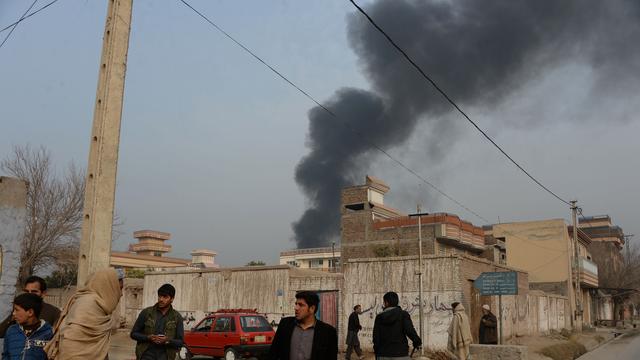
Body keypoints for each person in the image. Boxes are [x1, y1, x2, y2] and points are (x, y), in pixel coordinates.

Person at [45, 268, 123, 359]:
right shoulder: (87, 305)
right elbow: (72, 342)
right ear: (108, 286)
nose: (121, 294)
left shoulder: (101, 306)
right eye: (119, 288)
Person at [267, 291, 338, 360]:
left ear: (312, 309)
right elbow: (273, 353)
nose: (296, 308)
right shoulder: (285, 324)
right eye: (296, 304)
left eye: (301, 305)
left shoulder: (328, 332)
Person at [130, 283, 184, 360]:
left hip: (166, 356)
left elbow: (180, 342)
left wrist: (167, 340)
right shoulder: (146, 313)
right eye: (160, 296)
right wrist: (148, 337)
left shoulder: (177, 317)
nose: (161, 299)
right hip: (146, 354)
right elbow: (133, 334)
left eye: (165, 297)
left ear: (172, 299)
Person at [2, 293, 53, 360]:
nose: (14, 313)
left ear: (30, 312)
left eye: (17, 310)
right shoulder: (11, 331)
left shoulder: (49, 333)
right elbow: (6, 356)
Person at [372, 291, 422, 360]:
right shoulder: (403, 314)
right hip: (401, 354)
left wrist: (377, 352)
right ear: (397, 302)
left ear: (386, 303)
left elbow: (376, 337)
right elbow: (410, 331)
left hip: (383, 354)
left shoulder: (379, 317)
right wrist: (417, 341)